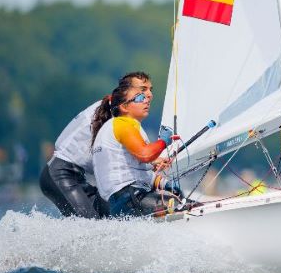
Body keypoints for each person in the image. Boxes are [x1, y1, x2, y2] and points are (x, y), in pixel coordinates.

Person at [39, 72, 148, 218]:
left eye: (149, 90)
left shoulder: (119, 113)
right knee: (91, 225)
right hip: (59, 174)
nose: (148, 95)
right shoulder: (115, 113)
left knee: (110, 216)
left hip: (77, 177)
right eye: (142, 90)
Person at [91, 72, 178, 217]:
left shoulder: (124, 127)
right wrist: (164, 141)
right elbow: (145, 155)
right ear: (124, 107)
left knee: (182, 203)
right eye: (140, 97)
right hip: (129, 197)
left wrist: (164, 183)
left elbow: (138, 171)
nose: (146, 99)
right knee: (183, 206)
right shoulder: (122, 124)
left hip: (124, 201)